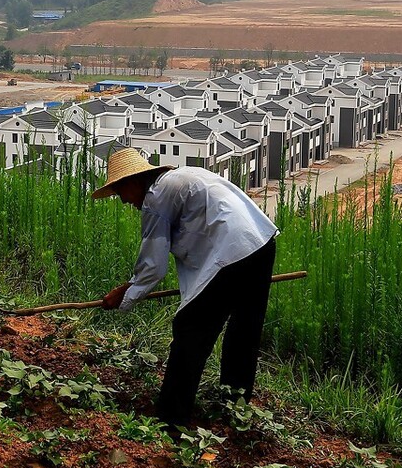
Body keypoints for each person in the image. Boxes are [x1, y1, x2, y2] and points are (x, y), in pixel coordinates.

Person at [92, 147, 278, 430]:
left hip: (231, 253)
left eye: (120, 194)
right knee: (244, 332)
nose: (123, 202)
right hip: (260, 243)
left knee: (190, 330)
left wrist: (127, 295)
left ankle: (171, 420)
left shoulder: (156, 197)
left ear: (131, 182)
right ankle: (235, 408)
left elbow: (153, 265)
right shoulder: (185, 176)